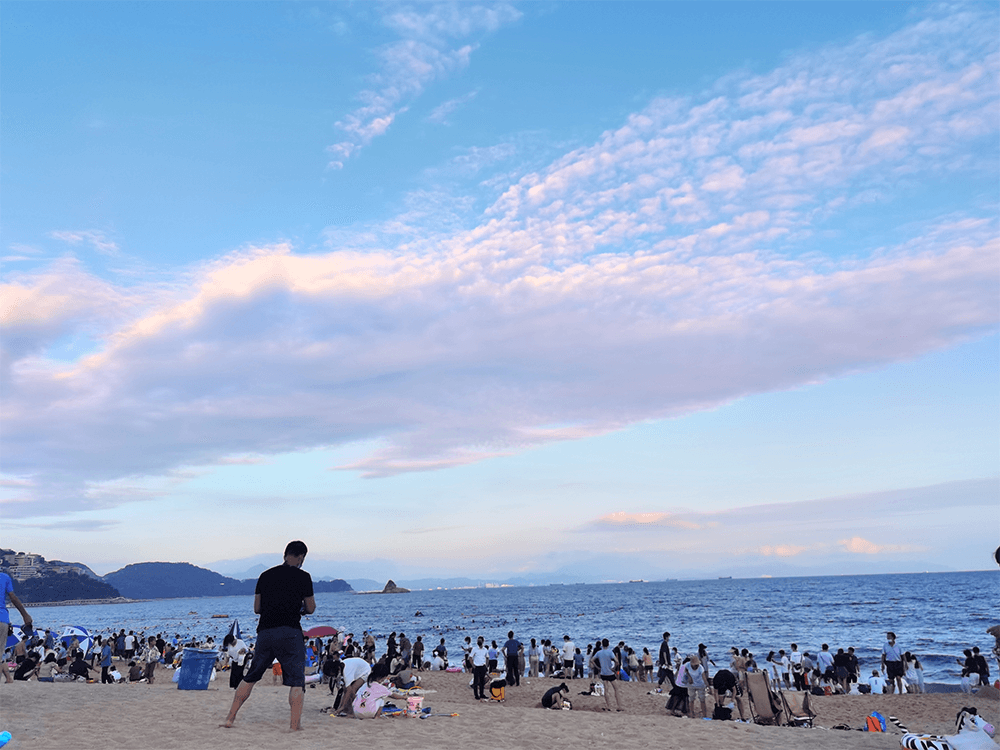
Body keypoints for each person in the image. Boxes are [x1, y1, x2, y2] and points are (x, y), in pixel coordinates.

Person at [223, 541, 316, 732]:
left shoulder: (265, 576)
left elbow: (257, 609)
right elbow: (311, 608)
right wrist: (299, 608)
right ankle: (294, 726)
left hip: (265, 632)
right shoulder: (303, 577)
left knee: (251, 676)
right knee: (297, 680)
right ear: (301, 557)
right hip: (290, 631)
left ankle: (230, 718)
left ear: (285, 554)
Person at [1, 571, 33, 684]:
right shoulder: (4, 577)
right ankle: (8, 679)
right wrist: (25, 615)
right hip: (2, 619)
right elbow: (13, 598)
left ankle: (8, 679)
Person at [594, 638, 624, 712]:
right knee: (616, 689)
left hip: (603, 673)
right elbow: (617, 662)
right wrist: (613, 668)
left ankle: (608, 706)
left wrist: (598, 667)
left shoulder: (599, 653)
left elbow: (592, 660)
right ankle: (619, 706)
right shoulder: (610, 652)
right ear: (608, 644)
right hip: (610, 673)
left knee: (606, 690)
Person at [680, 654, 710, 718]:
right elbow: (685, 670)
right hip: (691, 685)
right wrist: (689, 677)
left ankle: (704, 714)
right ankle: (692, 713)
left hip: (700, 685)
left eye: (697, 665)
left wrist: (708, 686)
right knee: (691, 699)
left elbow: (704, 678)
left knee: (702, 700)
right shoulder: (687, 665)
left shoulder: (700, 668)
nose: (696, 666)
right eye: (695, 665)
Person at [470, 636, 490, 701]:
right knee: (476, 682)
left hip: (483, 666)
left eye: (480, 641)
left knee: (482, 681)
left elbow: (487, 657)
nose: (479, 642)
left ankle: (482, 694)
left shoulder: (485, 650)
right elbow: (470, 657)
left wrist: (486, 665)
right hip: (476, 667)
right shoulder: (474, 649)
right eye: (478, 641)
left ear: (483, 641)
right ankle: (476, 695)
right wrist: (473, 665)